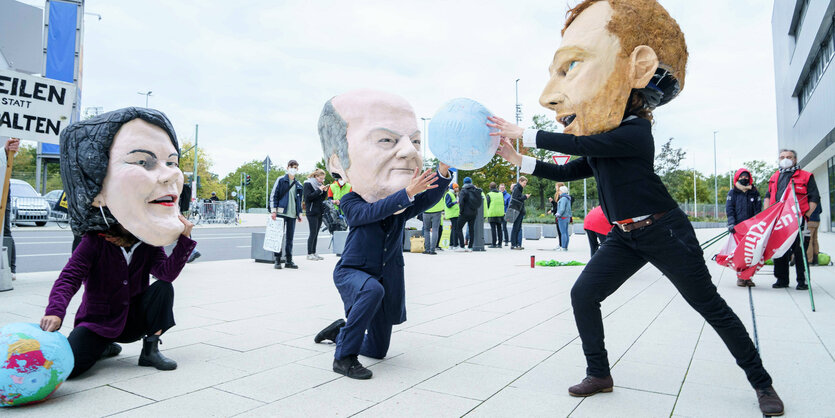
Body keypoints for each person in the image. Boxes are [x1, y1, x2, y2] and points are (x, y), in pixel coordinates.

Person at [488, 1, 782, 415]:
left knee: (710, 307)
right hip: (624, 237)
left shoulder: (635, 133)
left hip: (666, 233)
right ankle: (599, 373)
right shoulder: (604, 142)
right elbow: (570, 169)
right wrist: (519, 160)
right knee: (583, 294)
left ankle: (762, 384)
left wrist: (528, 133)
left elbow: (581, 145)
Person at [41, 107, 196, 379]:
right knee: (70, 369)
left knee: (163, 288)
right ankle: (103, 347)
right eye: (142, 162)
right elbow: (69, 278)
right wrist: (55, 312)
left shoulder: (146, 241)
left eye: (171, 163)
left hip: (133, 321)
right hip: (99, 323)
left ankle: (150, 349)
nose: (170, 174)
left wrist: (184, 242)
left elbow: (165, 273)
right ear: (98, 190)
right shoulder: (95, 241)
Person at [311, 89, 451, 379]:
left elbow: (426, 199)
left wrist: (443, 173)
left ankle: (340, 331)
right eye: (386, 139)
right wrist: (406, 194)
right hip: (354, 272)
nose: (409, 150)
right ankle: (344, 358)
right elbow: (370, 214)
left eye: (414, 141)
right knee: (371, 289)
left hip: (386, 276)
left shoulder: (400, 208)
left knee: (377, 350)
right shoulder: (351, 201)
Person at [765, 149, 819, 291]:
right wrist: (767, 215)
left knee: (800, 251)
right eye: (782, 157)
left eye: (789, 157)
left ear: (795, 159)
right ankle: (781, 279)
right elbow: (767, 196)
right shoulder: (774, 177)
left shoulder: (806, 176)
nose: (785, 159)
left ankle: (803, 281)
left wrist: (805, 215)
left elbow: (814, 197)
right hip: (779, 222)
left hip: (799, 221)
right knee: (780, 251)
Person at [726, 168, 762, 287]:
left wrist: (759, 224)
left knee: (752, 254)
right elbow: (730, 210)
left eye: (746, 176)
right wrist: (731, 223)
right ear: (737, 178)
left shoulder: (754, 192)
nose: (744, 178)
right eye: (741, 177)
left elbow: (758, 210)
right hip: (738, 229)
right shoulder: (732, 193)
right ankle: (740, 277)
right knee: (741, 254)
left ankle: (749, 277)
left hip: (752, 229)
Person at [269, 160, 303, 269]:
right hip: (281, 213)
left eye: (295, 167)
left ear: (297, 169)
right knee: (278, 237)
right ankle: (277, 260)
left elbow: (299, 200)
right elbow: (274, 195)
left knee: (290, 238)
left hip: (292, 215)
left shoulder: (298, 184)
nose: (293, 169)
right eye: (292, 167)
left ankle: (289, 260)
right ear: (287, 167)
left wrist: (299, 213)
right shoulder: (281, 180)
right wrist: (273, 211)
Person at [2, 137, 19, 280]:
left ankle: (10, 268)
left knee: (4, 230)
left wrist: (7, 151)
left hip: (2, 188)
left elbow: (5, 160)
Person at [303, 168, 329, 261]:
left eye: (323, 179)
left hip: (319, 211)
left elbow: (321, 199)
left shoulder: (320, 185)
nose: (322, 180)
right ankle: (309, 253)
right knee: (312, 232)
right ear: (316, 176)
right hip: (311, 211)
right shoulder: (308, 183)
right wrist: (318, 190)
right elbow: (308, 197)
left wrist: (324, 191)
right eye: (321, 178)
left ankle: (314, 252)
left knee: (316, 233)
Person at [458, 177, 482, 252]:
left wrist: (461, 211)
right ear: (471, 182)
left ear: (464, 183)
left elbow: (461, 202)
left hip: (464, 213)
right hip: (474, 213)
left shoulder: (463, 191)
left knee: (458, 228)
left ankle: (462, 246)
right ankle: (470, 247)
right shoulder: (475, 190)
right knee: (471, 229)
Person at [509, 177, 529, 250]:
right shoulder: (517, 188)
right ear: (520, 181)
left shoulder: (518, 188)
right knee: (516, 227)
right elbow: (516, 199)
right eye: (524, 183)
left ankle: (516, 244)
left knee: (517, 227)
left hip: (518, 210)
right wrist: (525, 197)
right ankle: (514, 244)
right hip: (517, 210)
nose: (525, 185)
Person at [485, 182, 505, 248]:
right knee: (499, 229)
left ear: (490, 187)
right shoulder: (501, 194)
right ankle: (500, 244)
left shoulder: (489, 194)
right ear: (496, 187)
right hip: (500, 213)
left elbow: (487, 204)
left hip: (492, 213)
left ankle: (493, 243)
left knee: (493, 229)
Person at [444, 183, 463, 251]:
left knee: (454, 229)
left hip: (454, 214)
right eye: (456, 187)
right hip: (452, 214)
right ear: (453, 188)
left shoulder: (453, 194)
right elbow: (448, 204)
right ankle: (455, 245)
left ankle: (451, 244)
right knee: (455, 229)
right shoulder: (449, 194)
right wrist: (456, 202)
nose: (457, 189)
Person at [556, 185, 572, 251]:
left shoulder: (563, 198)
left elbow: (562, 209)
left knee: (563, 233)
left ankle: (563, 247)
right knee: (566, 232)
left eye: (559, 191)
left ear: (562, 191)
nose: (559, 192)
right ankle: (565, 246)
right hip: (567, 217)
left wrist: (558, 214)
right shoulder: (567, 198)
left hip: (562, 217)